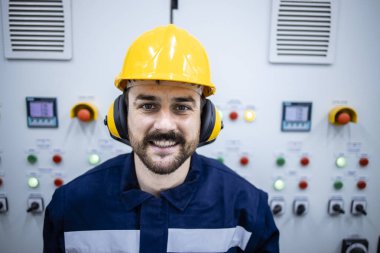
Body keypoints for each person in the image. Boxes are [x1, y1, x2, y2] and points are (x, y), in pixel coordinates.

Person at [43, 24, 279, 253]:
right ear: (121, 116)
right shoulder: (69, 207)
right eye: (147, 105)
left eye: (182, 107)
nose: (164, 125)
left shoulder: (248, 209)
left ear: (207, 120)